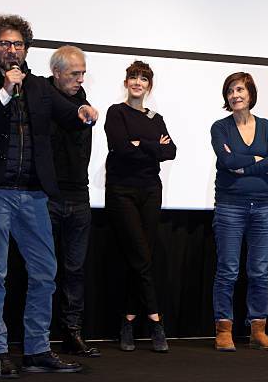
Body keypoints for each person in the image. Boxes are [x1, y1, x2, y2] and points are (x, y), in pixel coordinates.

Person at [0, 14, 98, 377]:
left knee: (45, 273)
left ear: (26, 49)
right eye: (5, 43)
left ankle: (37, 350)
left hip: (33, 194)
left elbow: (69, 113)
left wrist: (82, 110)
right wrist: (4, 92)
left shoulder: (38, 87)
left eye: (18, 44)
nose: (12, 50)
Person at [104, 59, 175, 353]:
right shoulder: (115, 112)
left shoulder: (156, 118)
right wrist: (152, 147)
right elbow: (119, 148)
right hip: (122, 192)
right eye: (133, 77)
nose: (137, 82)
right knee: (140, 254)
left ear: (149, 85)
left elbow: (170, 151)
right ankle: (156, 319)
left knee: (141, 256)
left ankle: (129, 319)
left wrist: (141, 144)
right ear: (125, 83)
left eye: (143, 79)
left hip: (150, 191)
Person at [210, 72, 268, 352]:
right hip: (230, 206)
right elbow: (227, 160)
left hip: (263, 206)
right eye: (230, 91)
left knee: (259, 272)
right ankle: (223, 330)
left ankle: (258, 331)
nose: (235, 95)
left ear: (250, 93)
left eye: (239, 89)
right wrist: (258, 159)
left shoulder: (266, 127)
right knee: (228, 270)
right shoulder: (220, 127)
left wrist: (246, 163)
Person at [47, 45, 100, 357]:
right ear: (56, 73)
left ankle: (72, 333)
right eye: (74, 73)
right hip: (47, 197)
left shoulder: (85, 104)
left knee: (75, 270)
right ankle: (37, 336)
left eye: (83, 73)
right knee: (42, 271)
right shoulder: (41, 97)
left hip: (79, 196)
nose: (80, 79)